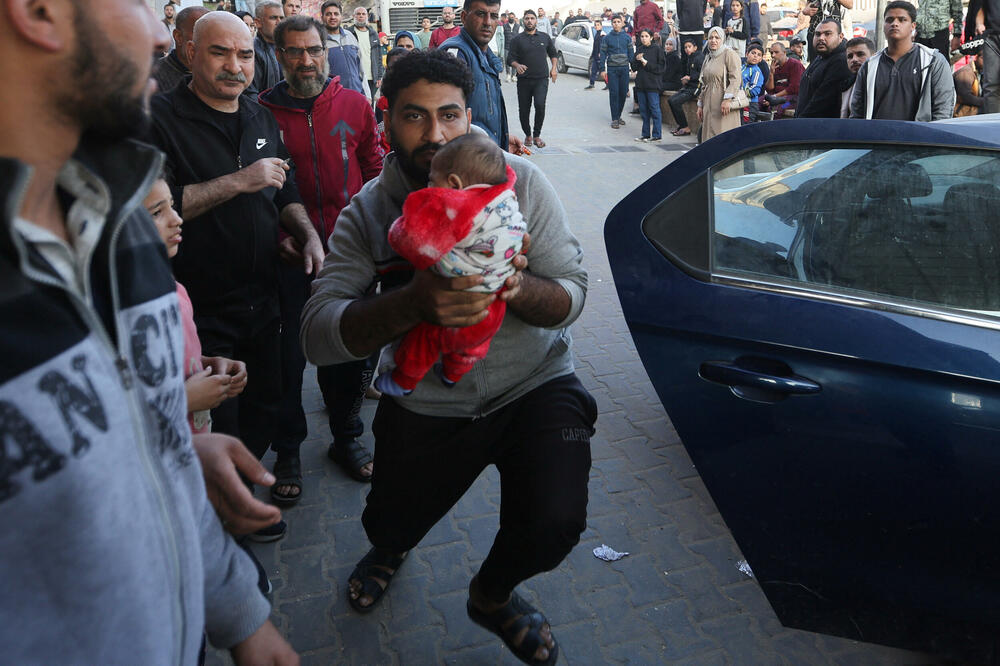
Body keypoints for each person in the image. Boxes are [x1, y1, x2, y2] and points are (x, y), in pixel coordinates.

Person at [0, 0, 296, 662]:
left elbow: (154, 446)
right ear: (38, 12)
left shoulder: (125, 221)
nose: (164, 35)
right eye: (137, 3)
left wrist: (241, 613)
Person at [300, 47, 595, 666]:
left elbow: (573, 293)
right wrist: (413, 302)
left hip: (535, 382)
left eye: (450, 115)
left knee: (555, 522)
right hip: (428, 401)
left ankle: (491, 596)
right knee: (389, 522)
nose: (435, 135)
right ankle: (390, 549)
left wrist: (515, 286)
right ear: (385, 119)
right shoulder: (370, 212)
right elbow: (318, 336)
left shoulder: (520, 182)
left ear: (469, 116)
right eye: (414, 116)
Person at [147, 11, 325, 537]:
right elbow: (156, 207)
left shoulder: (258, 115)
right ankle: (226, 521)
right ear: (190, 54)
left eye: (245, 54)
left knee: (264, 406)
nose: (235, 66)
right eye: (220, 52)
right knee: (216, 422)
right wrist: (241, 180)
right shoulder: (159, 119)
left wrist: (306, 233)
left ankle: (239, 496)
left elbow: (284, 187)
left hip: (264, 297)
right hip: (201, 309)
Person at [260, 15, 384, 496]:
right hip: (288, 258)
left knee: (346, 354)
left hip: (349, 258)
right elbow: (258, 192)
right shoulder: (259, 112)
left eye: (314, 50)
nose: (306, 60)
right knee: (286, 361)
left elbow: (374, 168)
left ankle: (346, 437)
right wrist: (278, 236)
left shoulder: (354, 104)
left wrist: (374, 234)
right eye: (294, 51)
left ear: (326, 51)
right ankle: (288, 449)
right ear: (279, 56)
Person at [374, 135, 525, 396]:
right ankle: (453, 374)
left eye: (432, 181)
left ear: (454, 183)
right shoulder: (506, 196)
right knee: (469, 350)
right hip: (494, 306)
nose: (429, 185)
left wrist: (399, 229)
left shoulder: (456, 208)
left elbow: (415, 246)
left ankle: (404, 381)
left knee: (422, 341)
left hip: (455, 304)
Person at [144, 177, 249, 436]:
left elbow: (167, 361)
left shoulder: (173, 288)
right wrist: (184, 399)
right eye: (157, 213)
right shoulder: (125, 308)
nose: (176, 219)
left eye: (171, 206)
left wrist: (205, 365)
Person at [850, 1, 956, 120]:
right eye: (889, 20)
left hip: (920, 132)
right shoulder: (869, 66)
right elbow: (857, 113)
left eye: (902, 20)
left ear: (913, 26)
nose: (894, 24)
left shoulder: (933, 61)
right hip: (877, 132)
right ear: (883, 25)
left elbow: (943, 111)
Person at [440, 0, 523, 153]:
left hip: (486, 155)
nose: (488, 22)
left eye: (494, 16)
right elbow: (445, 121)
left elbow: (483, 115)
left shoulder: (486, 56)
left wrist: (501, 141)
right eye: (480, 14)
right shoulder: (456, 53)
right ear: (464, 17)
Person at [507, 9, 558, 148]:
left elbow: (553, 54)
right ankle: (528, 135)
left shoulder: (545, 37)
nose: (529, 21)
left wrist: (554, 68)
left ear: (536, 20)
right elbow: (510, 58)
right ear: (523, 21)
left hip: (541, 79)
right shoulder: (517, 39)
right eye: (527, 18)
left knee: (540, 105)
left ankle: (537, 135)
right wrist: (517, 65)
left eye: (532, 18)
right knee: (524, 109)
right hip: (524, 80)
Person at [796, 18, 852, 117]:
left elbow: (822, 102)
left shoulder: (841, 61)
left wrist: (800, 121)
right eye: (817, 34)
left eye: (827, 34)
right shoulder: (822, 56)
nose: (821, 38)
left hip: (821, 124)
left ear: (840, 36)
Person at [697, 25, 742, 141]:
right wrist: (700, 105)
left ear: (722, 39)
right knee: (709, 138)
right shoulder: (709, 57)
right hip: (708, 104)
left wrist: (727, 99)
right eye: (711, 38)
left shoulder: (729, 54)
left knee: (723, 138)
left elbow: (736, 78)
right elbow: (704, 83)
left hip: (723, 104)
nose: (713, 40)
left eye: (717, 38)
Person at [152, 5, 209, 94]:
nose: (210, 40)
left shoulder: (218, 74)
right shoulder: (152, 76)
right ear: (178, 37)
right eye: (200, 33)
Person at [323, 0, 369, 95]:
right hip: (335, 97)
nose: (333, 17)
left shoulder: (350, 36)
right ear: (322, 17)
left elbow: (360, 69)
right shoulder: (319, 41)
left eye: (336, 14)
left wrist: (367, 94)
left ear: (341, 16)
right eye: (328, 14)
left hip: (357, 94)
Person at [601, 13, 635, 128]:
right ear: (612, 24)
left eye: (618, 22)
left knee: (623, 93)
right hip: (612, 69)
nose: (616, 24)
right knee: (614, 93)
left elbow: (631, 53)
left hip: (624, 69)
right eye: (614, 22)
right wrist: (602, 69)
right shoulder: (607, 38)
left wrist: (633, 67)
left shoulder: (627, 38)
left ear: (622, 23)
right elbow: (602, 54)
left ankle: (619, 115)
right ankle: (614, 118)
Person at [632, 29, 666, 141]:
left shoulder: (657, 49)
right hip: (641, 84)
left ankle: (657, 134)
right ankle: (645, 134)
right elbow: (634, 67)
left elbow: (661, 68)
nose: (644, 39)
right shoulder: (639, 49)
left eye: (646, 36)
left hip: (653, 85)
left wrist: (645, 62)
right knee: (643, 111)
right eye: (642, 36)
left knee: (654, 109)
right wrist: (637, 60)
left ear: (651, 37)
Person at [348, 6, 384, 102]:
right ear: (354, 16)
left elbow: (378, 56)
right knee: (356, 103)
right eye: (358, 14)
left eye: (363, 14)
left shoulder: (373, 34)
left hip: (371, 76)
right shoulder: (348, 33)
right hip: (355, 76)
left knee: (369, 105)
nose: (361, 16)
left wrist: (379, 76)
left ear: (367, 16)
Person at [669, 38, 704, 135]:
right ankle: (681, 125)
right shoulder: (690, 57)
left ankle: (685, 127)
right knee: (671, 100)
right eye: (685, 47)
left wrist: (690, 78)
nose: (687, 49)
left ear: (695, 48)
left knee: (675, 102)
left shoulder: (699, 58)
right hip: (689, 86)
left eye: (689, 47)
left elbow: (703, 74)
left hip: (696, 87)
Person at [764, 41, 804, 116]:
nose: (773, 55)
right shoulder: (774, 66)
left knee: (779, 108)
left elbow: (794, 88)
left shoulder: (795, 64)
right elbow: (770, 89)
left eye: (776, 52)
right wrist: (771, 74)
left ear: (784, 52)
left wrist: (774, 97)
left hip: (793, 100)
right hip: (776, 98)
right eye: (771, 53)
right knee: (758, 102)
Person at [253, 1, 285, 93]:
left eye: (282, 18)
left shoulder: (287, 48)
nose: (279, 22)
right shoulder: (252, 51)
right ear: (258, 23)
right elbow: (250, 94)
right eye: (273, 18)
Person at [975, 0, 1000, 113]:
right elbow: (982, 7)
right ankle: (993, 121)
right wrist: (979, 23)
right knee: (991, 85)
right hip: (991, 36)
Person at [840, 36, 873, 116]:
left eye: (860, 54)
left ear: (874, 56)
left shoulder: (881, 83)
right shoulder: (846, 84)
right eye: (850, 56)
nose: (854, 59)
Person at [954, 38, 986, 115]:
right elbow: (965, 97)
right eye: (983, 59)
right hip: (961, 114)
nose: (987, 62)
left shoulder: (979, 71)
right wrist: (987, 102)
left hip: (971, 111)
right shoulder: (966, 73)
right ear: (976, 57)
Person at [742, 42, 766, 121]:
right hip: (740, 101)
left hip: (749, 104)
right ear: (746, 54)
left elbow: (755, 90)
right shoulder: (742, 68)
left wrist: (741, 93)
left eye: (759, 55)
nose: (755, 56)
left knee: (745, 125)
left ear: (761, 59)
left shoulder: (756, 71)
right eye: (753, 53)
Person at [585, 18, 606, 89]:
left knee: (602, 71)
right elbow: (595, 45)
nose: (596, 26)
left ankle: (608, 84)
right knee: (593, 71)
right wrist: (593, 54)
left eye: (598, 25)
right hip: (595, 55)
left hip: (600, 56)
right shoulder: (597, 34)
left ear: (601, 26)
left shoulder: (602, 34)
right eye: (595, 25)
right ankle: (591, 84)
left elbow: (602, 45)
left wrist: (600, 53)